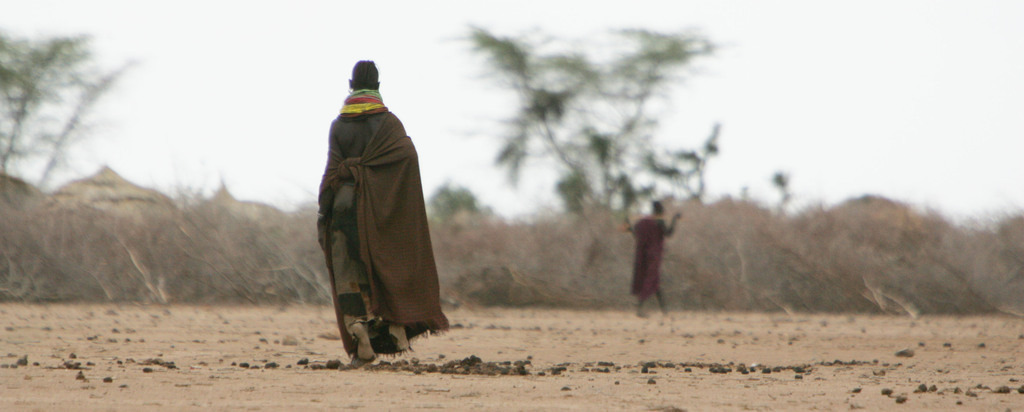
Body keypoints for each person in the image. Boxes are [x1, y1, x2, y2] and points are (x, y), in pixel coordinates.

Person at [317, 60, 448, 366]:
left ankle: (359, 332)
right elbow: (407, 156)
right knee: (387, 266)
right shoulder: (389, 124)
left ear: (351, 85)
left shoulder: (339, 125)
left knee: (348, 272)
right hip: (376, 209)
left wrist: (324, 214)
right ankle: (394, 326)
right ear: (377, 86)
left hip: (342, 205)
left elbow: (331, 172)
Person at [625, 200, 680, 317]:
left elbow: (636, 235)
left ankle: (665, 311)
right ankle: (640, 309)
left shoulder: (642, 222)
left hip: (642, 255)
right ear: (660, 211)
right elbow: (669, 233)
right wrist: (675, 219)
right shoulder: (659, 222)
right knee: (651, 280)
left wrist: (630, 228)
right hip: (654, 256)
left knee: (655, 283)